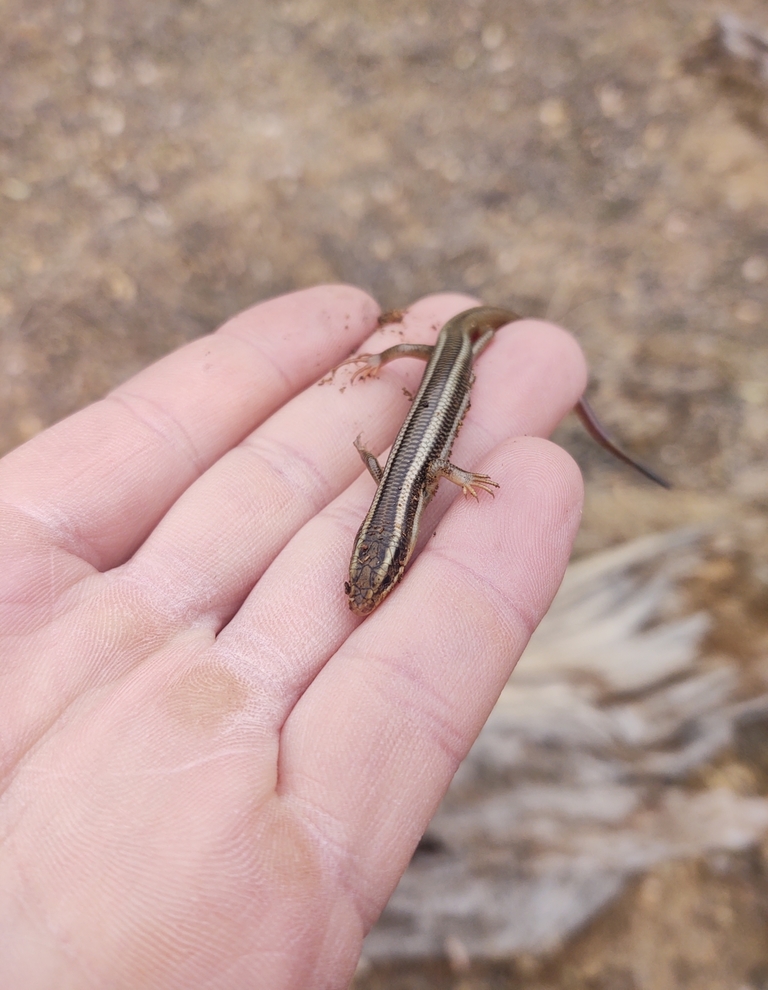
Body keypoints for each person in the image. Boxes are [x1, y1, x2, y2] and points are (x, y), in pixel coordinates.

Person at [0, 285, 585, 988]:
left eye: (376, 580)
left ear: (395, 552)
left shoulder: (412, 486)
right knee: (425, 362)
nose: (366, 594)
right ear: (369, 549)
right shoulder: (395, 506)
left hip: (445, 376)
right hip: (428, 400)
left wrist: (459, 469)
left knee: (451, 351)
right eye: (357, 586)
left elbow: (418, 468)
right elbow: (402, 472)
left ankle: (487, 331)